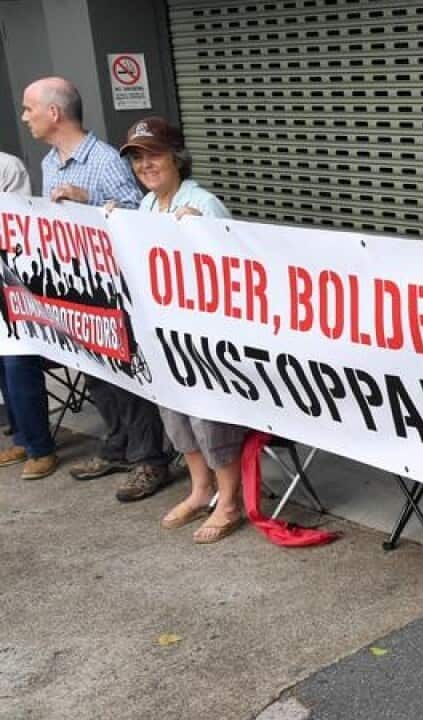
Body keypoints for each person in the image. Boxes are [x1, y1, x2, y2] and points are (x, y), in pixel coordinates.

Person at [21, 77, 171, 502]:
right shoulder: (51, 162)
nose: (24, 117)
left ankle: (149, 459)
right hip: (76, 284)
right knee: (94, 372)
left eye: (29, 108)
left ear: (54, 113)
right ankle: (118, 445)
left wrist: (86, 199)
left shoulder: (104, 160)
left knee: (126, 374)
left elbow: (136, 216)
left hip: (114, 288)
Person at [108, 117, 246, 543]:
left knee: (207, 416)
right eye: (137, 158)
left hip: (205, 337)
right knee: (175, 411)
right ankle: (200, 488)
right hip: (165, 334)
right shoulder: (148, 207)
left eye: (153, 155)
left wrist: (202, 234)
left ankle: (229, 499)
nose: (145, 165)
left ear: (176, 158)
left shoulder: (202, 203)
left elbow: (236, 269)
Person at [0, 146, 59, 481]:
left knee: (17, 360)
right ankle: (22, 436)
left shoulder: (7, 166)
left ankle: (40, 448)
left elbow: (16, 226)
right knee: (3, 362)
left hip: (19, 283)